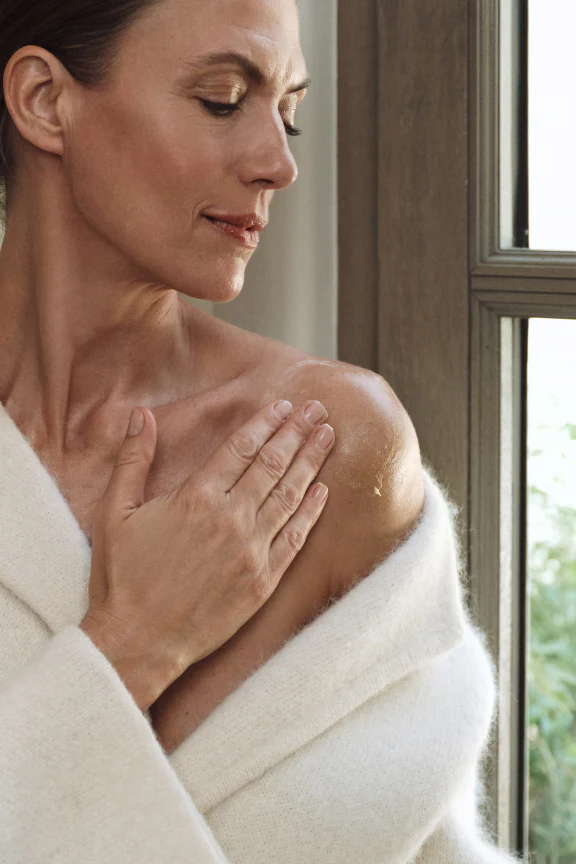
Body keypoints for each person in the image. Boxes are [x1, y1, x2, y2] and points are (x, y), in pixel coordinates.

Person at [0, 1, 523, 862]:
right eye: (221, 98)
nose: (279, 164)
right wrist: (132, 646)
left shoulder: (324, 442)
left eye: (289, 114)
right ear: (45, 101)